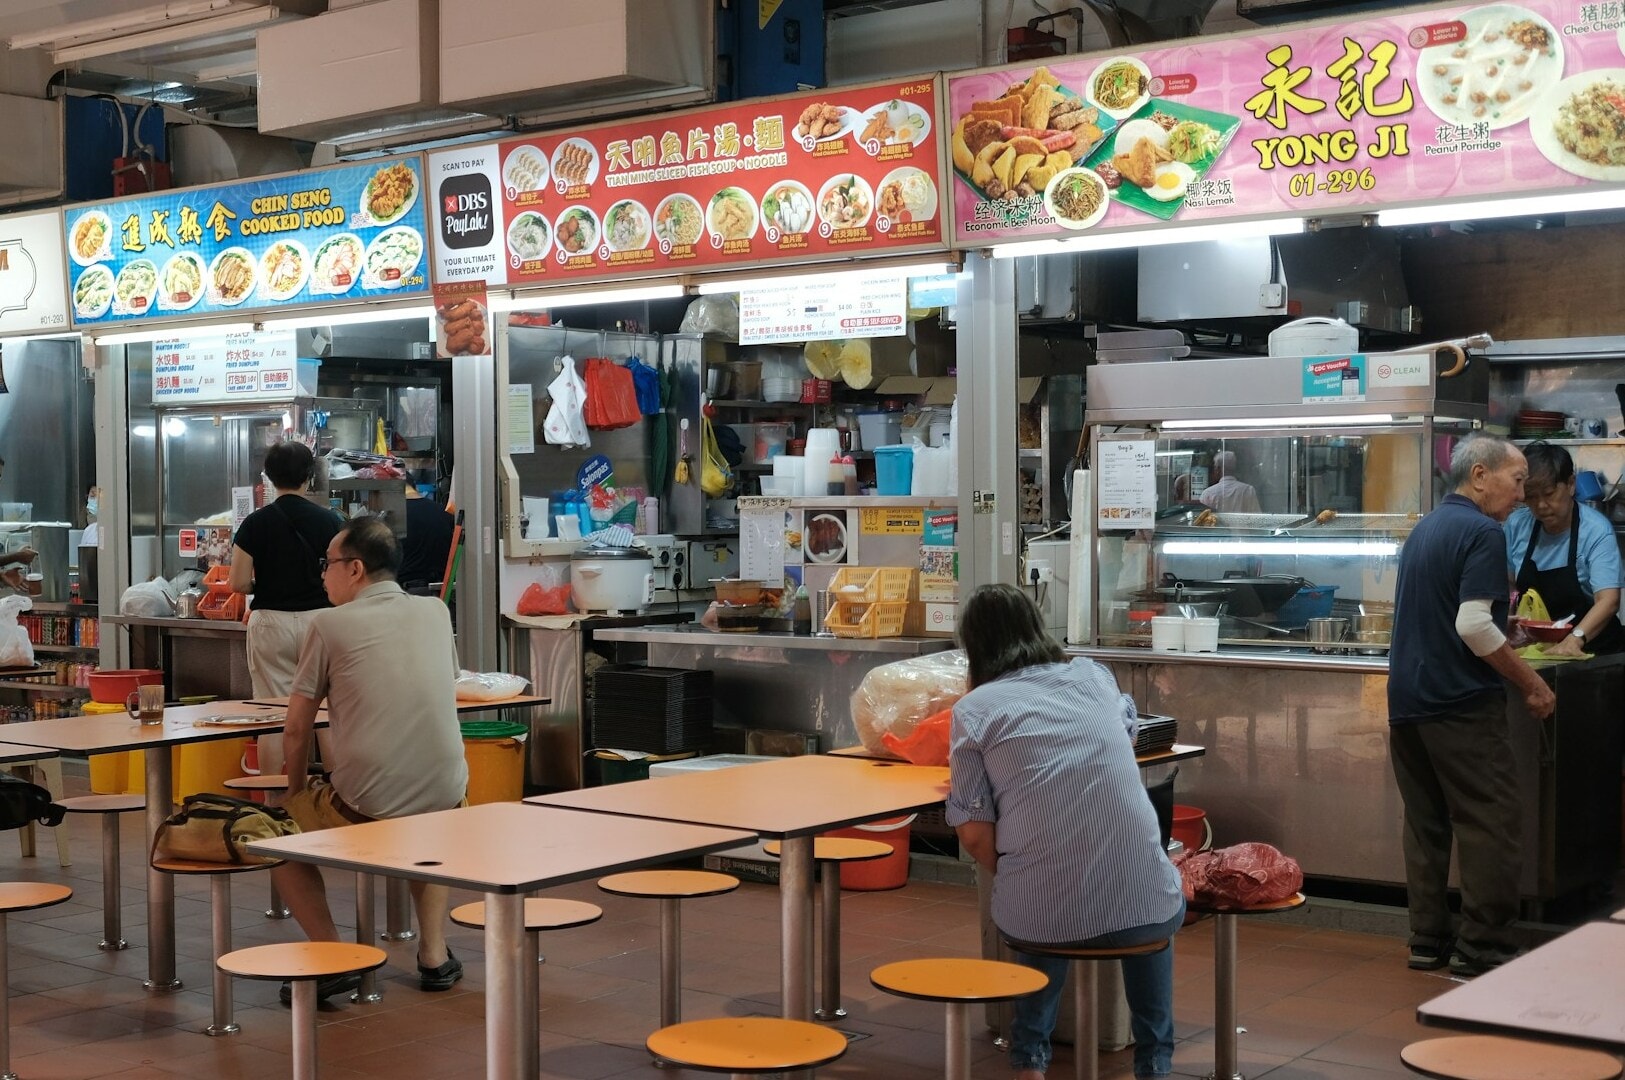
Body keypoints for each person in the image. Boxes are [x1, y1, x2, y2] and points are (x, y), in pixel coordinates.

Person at [946, 584, 1184, 1080]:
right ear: (1036, 626)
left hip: (1041, 917)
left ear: (974, 647)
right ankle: (1155, 1063)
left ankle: (1030, 1058)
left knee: (1036, 895)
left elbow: (972, 834)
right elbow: (1126, 731)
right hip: (1148, 907)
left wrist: (1020, 863)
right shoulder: (1092, 677)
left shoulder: (974, 709)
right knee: (1143, 894)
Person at [273, 516, 467, 1001]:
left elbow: (296, 727)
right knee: (431, 820)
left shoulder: (330, 623)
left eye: (329, 564)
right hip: (450, 793)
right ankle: (434, 955)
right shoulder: (435, 612)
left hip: (368, 801)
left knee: (275, 835)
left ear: (355, 569)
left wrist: (293, 794)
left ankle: (334, 956)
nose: (323, 574)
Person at [1388, 434, 1555, 978]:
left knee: (1427, 824)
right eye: (1517, 480)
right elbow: (1472, 625)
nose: (1523, 494)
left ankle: (1426, 939)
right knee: (1490, 824)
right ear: (1480, 476)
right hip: (1458, 704)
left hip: (1408, 703)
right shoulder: (1484, 531)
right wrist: (1531, 682)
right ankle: (1482, 948)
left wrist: (1501, 631)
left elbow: (1451, 615)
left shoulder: (1427, 529)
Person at [228, 442, 341, 774]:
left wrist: (262, 584)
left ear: (270, 478)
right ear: (309, 476)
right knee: (324, 713)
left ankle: (276, 802)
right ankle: (334, 798)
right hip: (321, 622)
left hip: (270, 623)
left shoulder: (254, 523)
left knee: (272, 715)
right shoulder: (330, 521)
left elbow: (237, 582)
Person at [1502, 442, 1622, 656]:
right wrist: (1511, 617)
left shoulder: (1596, 531)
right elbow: (1509, 583)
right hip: (1538, 649)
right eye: (1531, 496)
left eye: (1548, 494)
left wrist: (1575, 639)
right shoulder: (1516, 525)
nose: (1540, 505)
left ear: (1571, 484)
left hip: (1593, 651)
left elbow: (1609, 600)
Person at [399, 482, 454, 593]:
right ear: (415, 487)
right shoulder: (443, 512)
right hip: (442, 591)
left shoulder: (392, 516)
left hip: (405, 593)